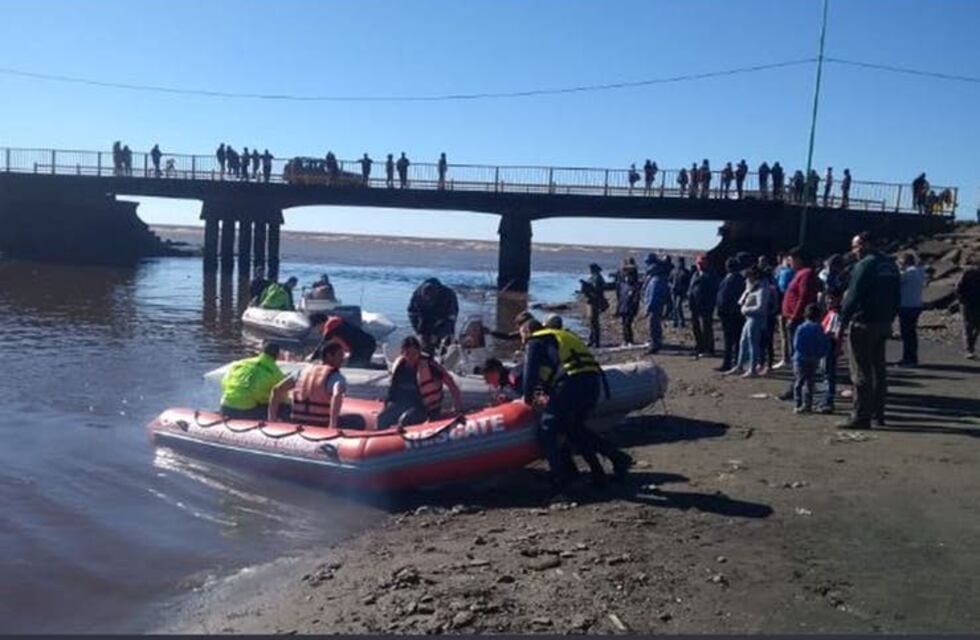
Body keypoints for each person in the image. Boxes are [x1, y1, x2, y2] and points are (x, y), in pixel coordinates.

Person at [517, 315, 633, 491]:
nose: (522, 340)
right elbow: (545, 383)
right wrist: (543, 402)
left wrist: (529, 401)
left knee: (547, 428)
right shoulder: (560, 337)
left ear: (527, 332)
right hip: (592, 383)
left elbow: (530, 379)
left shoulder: (536, 342)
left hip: (573, 384)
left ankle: (562, 479)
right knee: (573, 428)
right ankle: (607, 467)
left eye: (521, 334)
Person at [836, 232, 901, 429]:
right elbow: (897, 295)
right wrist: (890, 318)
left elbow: (853, 296)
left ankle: (861, 415)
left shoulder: (865, 264)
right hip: (883, 322)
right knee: (879, 370)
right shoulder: (890, 265)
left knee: (861, 371)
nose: (853, 252)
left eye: (855, 247)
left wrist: (841, 321)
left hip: (864, 322)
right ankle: (878, 413)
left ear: (863, 245)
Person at [377, 336, 461, 429]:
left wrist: (456, 406)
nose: (411, 357)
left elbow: (450, 383)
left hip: (425, 407)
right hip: (403, 403)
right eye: (408, 353)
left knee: (407, 419)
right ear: (402, 353)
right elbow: (392, 391)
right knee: (382, 418)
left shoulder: (429, 365)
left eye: (414, 353)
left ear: (419, 352)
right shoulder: (399, 367)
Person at [267, 342, 349, 428]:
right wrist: (333, 425)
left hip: (298, 423)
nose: (342, 359)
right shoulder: (335, 376)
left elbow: (276, 389)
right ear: (329, 356)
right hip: (321, 424)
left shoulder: (301, 372)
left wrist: (272, 419)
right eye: (340, 355)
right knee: (356, 420)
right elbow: (337, 394)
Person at [219, 342, 285, 420]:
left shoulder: (240, 363)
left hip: (225, 405)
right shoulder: (276, 373)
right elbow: (280, 397)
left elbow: (224, 382)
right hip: (245, 411)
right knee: (283, 407)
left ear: (261, 352)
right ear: (277, 355)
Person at [779, 248, 819, 374]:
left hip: (797, 319)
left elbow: (804, 297)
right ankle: (798, 381)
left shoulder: (805, 274)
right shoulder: (799, 273)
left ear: (799, 260)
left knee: (798, 352)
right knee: (795, 351)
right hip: (792, 316)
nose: (790, 263)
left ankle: (799, 382)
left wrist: (794, 316)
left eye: (791, 260)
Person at [729, 267, 769, 377]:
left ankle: (752, 369)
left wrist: (746, 309)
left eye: (748, 277)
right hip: (748, 318)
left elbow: (761, 307)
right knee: (743, 341)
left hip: (756, 319)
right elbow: (742, 300)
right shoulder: (752, 288)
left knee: (753, 343)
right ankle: (740, 365)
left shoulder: (762, 289)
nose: (747, 280)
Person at [407, 277, 459, 354]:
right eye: (425, 299)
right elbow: (412, 314)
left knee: (445, 347)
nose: (428, 300)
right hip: (425, 322)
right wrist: (419, 332)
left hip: (443, 320)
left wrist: (438, 334)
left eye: (430, 300)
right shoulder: (417, 295)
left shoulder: (449, 295)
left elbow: (451, 319)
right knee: (425, 348)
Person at [792, 304, 828, 414]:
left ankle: (798, 403)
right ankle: (808, 404)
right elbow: (823, 343)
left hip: (801, 358)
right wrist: (820, 354)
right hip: (814, 358)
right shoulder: (819, 328)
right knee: (809, 382)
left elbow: (796, 344)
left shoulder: (801, 328)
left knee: (799, 382)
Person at [715, 257, 746, 372]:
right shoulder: (730, 278)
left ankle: (735, 363)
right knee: (729, 339)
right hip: (726, 313)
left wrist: (729, 310)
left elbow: (732, 297)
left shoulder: (737, 279)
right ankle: (729, 362)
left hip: (732, 314)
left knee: (734, 339)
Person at [313, 314, 377, 368]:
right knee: (357, 364)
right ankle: (382, 367)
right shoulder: (336, 323)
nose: (318, 330)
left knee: (355, 366)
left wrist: (313, 357)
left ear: (320, 323)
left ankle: (382, 368)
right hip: (365, 344)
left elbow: (323, 344)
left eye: (316, 327)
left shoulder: (330, 325)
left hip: (364, 346)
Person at [897, 252, 926, 367]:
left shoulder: (909, 272)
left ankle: (908, 358)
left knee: (907, 334)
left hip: (906, 305)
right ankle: (912, 357)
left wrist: (899, 268)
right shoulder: (919, 271)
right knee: (911, 333)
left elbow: (898, 280)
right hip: (916, 305)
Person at [687, 255, 718, 357]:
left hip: (706, 306)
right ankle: (699, 347)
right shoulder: (695, 274)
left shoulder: (711, 275)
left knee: (706, 328)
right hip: (694, 306)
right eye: (698, 264)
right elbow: (691, 290)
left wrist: (709, 305)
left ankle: (708, 349)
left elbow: (713, 292)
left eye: (702, 263)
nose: (700, 266)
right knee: (696, 327)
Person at [819, 291, 843, 413]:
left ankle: (828, 401)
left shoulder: (836, 315)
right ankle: (825, 399)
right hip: (826, 346)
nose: (829, 302)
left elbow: (835, 334)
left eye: (832, 299)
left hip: (829, 346)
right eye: (828, 299)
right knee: (826, 374)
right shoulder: (829, 313)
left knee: (828, 375)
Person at [642, 254, 669, 354]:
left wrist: (648, 308)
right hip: (655, 304)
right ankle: (656, 342)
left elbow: (653, 295)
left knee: (653, 325)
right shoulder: (656, 276)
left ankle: (655, 344)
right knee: (655, 324)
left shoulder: (656, 278)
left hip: (654, 305)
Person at [773, 253, 796, 368]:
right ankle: (789, 357)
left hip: (784, 305)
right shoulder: (791, 272)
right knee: (788, 333)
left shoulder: (785, 272)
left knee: (785, 334)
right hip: (788, 305)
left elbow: (779, 287)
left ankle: (786, 358)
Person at [956, 256, 980, 359]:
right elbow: (958, 287)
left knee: (973, 326)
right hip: (968, 302)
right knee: (969, 326)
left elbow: (958, 287)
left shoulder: (968, 272)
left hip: (972, 302)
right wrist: (961, 299)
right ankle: (968, 349)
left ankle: (969, 348)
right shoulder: (968, 273)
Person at [581, 263, 609, 348]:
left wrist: (587, 287)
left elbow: (597, 290)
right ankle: (592, 340)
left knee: (594, 322)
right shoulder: (595, 277)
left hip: (595, 302)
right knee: (593, 322)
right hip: (593, 301)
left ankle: (595, 341)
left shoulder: (597, 277)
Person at [615, 257, 641, 346]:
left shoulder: (633, 286)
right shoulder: (623, 285)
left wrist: (634, 307)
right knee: (624, 324)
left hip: (630, 307)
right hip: (623, 306)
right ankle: (626, 340)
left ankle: (629, 340)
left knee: (627, 324)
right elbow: (619, 296)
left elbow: (636, 298)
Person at [669, 256, 691, 329]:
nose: (680, 263)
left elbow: (689, 283)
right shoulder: (674, 271)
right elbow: (669, 280)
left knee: (678, 306)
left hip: (681, 292)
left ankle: (682, 322)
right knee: (674, 307)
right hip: (673, 291)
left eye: (682, 262)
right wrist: (671, 286)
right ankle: (675, 322)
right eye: (679, 262)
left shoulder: (686, 272)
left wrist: (685, 289)